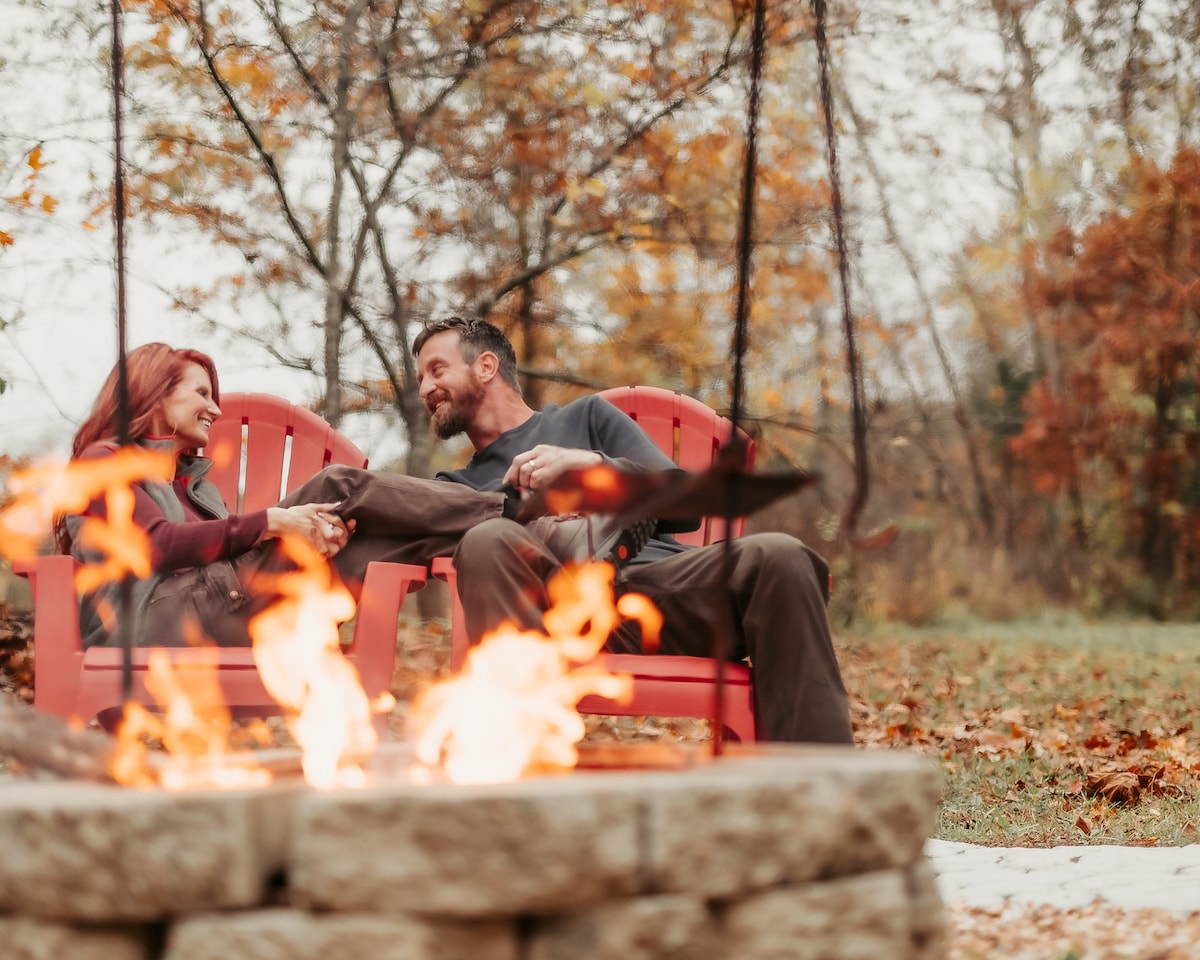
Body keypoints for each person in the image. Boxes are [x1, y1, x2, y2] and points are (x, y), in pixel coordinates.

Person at [414, 316, 853, 744]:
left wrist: (596, 465)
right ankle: (526, 785)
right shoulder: (457, 489)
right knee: (488, 538)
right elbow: (392, 532)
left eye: (437, 369)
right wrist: (341, 521)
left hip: (662, 594)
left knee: (781, 555)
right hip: (555, 617)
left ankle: (823, 795)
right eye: (419, 378)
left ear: (486, 367)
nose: (424, 389)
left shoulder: (585, 419)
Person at [60, 342, 516, 649]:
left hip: (221, 616)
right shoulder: (105, 460)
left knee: (377, 544)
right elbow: (152, 546)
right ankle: (517, 508)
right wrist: (275, 522)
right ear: (156, 394)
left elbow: (227, 570)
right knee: (337, 485)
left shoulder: (189, 484)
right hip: (152, 627)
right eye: (201, 393)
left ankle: (526, 545)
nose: (215, 409)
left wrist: (316, 540)